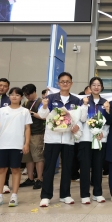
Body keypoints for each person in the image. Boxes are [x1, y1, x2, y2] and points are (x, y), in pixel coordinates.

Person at [38, 72, 82, 207]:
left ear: (71, 83)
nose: (65, 84)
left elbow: (80, 118)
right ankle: (46, 196)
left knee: (67, 168)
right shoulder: (50, 98)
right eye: (62, 81)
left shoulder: (76, 100)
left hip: (68, 139)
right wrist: (44, 106)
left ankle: (65, 195)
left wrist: (76, 127)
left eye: (67, 81)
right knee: (49, 168)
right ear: (58, 83)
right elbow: (42, 115)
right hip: (52, 139)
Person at [0, 87, 32, 207]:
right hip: (2, 144)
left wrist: (26, 143)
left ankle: (14, 196)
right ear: (9, 96)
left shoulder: (24, 111)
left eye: (17, 95)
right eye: (12, 94)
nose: (14, 96)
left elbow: (27, 128)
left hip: (17, 144)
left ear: (21, 97)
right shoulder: (2, 110)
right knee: (2, 170)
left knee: (15, 169)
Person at [78, 77, 109, 204]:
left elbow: (108, 123)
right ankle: (85, 194)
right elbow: (82, 119)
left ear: (101, 87)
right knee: (85, 167)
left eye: (98, 85)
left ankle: (98, 193)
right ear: (90, 87)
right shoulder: (83, 101)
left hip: (100, 140)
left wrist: (103, 133)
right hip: (86, 139)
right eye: (94, 85)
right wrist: (85, 105)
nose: (96, 87)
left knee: (98, 167)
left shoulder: (105, 102)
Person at [19, 84, 45, 190]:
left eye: (29, 94)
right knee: (28, 157)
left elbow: (44, 116)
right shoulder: (25, 103)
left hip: (37, 133)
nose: (27, 97)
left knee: (38, 157)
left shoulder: (41, 102)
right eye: (25, 95)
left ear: (34, 92)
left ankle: (39, 179)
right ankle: (30, 178)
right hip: (26, 133)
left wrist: (31, 113)